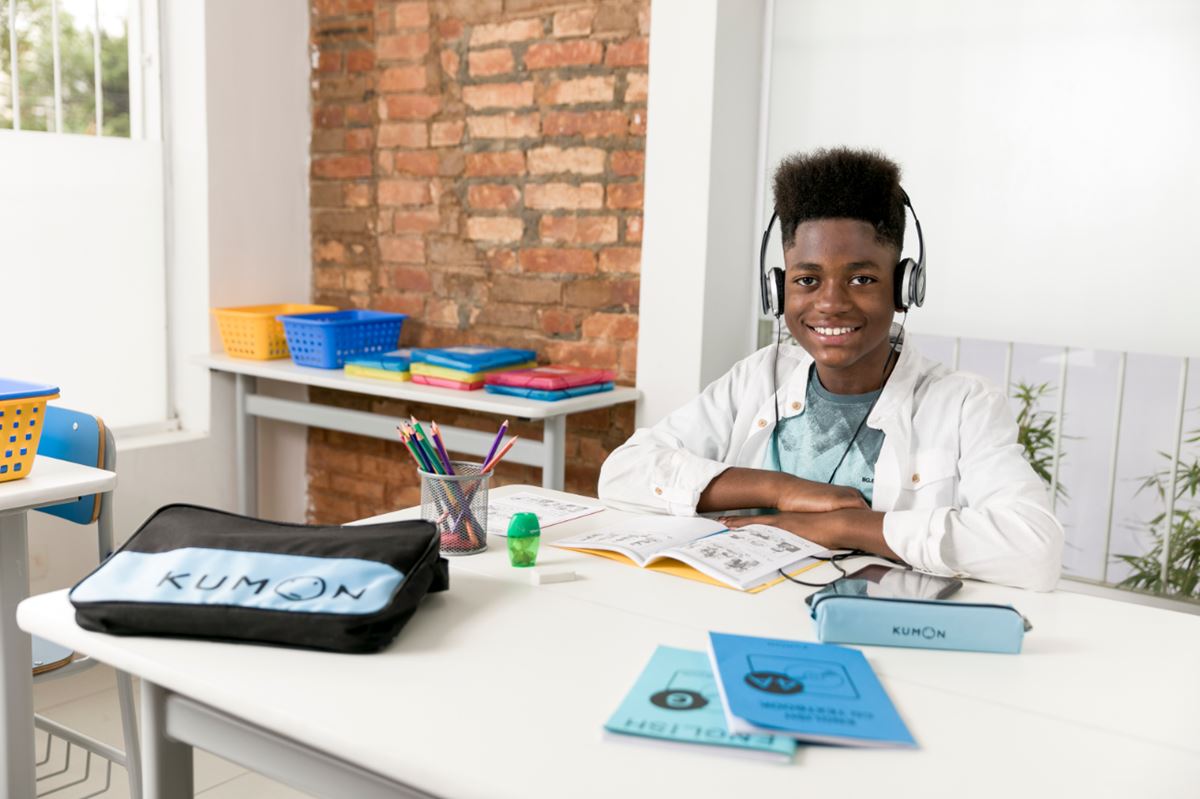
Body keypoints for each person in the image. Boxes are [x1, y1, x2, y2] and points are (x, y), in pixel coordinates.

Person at [597, 147, 1063, 591]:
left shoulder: (963, 404)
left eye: (862, 279)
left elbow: (1034, 547)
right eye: (807, 279)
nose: (831, 303)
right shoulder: (758, 378)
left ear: (903, 286)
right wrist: (782, 490)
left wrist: (847, 526)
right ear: (779, 290)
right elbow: (622, 473)